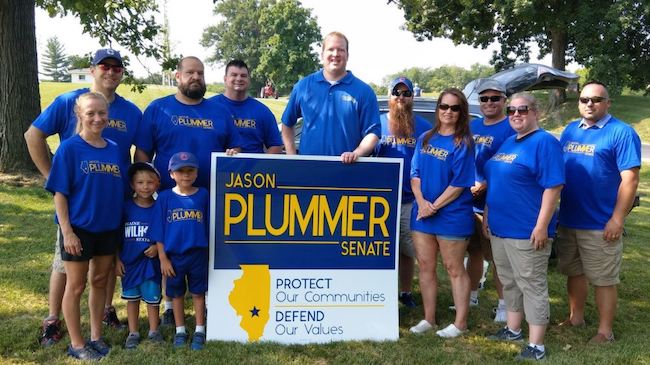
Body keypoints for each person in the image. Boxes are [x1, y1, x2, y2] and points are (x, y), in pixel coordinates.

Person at [24, 48, 139, 345]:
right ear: (92, 70)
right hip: (77, 212)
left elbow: (138, 154)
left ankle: (102, 317)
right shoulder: (68, 102)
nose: (111, 71)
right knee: (66, 270)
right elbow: (33, 135)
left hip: (109, 210)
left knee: (102, 275)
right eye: (105, 66)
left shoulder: (129, 112)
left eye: (117, 67)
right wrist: (54, 178)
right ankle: (53, 320)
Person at [556, 81, 641, 344]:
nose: (589, 104)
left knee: (603, 279)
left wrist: (617, 218)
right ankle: (576, 317)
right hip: (569, 218)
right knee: (574, 271)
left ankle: (605, 331)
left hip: (601, 222)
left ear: (607, 103)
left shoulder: (622, 133)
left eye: (596, 99)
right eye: (584, 100)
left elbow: (630, 180)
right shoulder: (571, 130)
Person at [484, 93, 564, 361]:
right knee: (509, 283)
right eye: (511, 110)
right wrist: (487, 213)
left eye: (523, 109)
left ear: (536, 112)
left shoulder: (545, 143)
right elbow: (495, 181)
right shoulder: (508, 141)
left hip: (526, 231)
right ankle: (513, 328)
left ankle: (536, 345)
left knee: (531, 285)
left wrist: (542, 227)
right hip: (500, 228)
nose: (516, 114)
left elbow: (553, 187)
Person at [45, 92, 125, 360]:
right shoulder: (69, 148)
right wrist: (67, 231)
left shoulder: (114, 148)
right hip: (79, 229)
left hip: (108, 228)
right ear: (79, 115)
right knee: (76, 286)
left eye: (102, 113)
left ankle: (95, 337)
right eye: (91, 113)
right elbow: (60, 193)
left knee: (100, 281)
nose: (97, 118)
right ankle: (77, 344)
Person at [408, 88, 475, 338]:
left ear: (461, 112)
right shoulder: (425, 137)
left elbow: (459, 184)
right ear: (438, 109)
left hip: (451, 215)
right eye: (444, 106)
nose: (448, 112)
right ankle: (429, 318)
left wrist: (433, 206)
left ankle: (460, 323)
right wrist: (422, 202)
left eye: (454, 108)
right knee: (425, 266)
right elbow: (414, 174)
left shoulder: (463, 143)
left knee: (453, 267)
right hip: (422, 213)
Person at [135, 56, 242, 191]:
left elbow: (236, 148)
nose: (196, 77)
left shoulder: (221, 112)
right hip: (167, 198)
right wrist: (146, 187)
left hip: (213, 198)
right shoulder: (158, 109)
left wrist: (232, 155)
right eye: (190, 72)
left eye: (200, 73)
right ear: (178, 76)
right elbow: (142, 153)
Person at [374, 76, 430, 308]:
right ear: (390, 96)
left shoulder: (425, 128)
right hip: (380, 201)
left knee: (408, 251)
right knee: (378, 249)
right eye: (397, 92)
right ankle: (379, 294)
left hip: (409, 200)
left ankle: (405, 292)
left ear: (412, 97)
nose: (401, 97)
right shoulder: (375, 124)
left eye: (406, 93)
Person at [281, 31, 380, 162]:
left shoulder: (364, 91)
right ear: (322, 54)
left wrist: (356, 154)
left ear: (347, 55)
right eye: (331, 49)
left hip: (347, 172)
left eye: (341, 50)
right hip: (309, 171)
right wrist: (291, 156)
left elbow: (372, 134)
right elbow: (287, 123)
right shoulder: (303, 87)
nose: (335, 54)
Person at [465, 79, 515, 322]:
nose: (489, 103)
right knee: (473, 251)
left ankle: (504, 306)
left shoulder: (510, 127)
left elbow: (509, 163)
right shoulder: (472, 126)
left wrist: (483, 184)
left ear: (504, 101)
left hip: (496, 202)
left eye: (495, 98)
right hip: (468, 201)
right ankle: (471, 296)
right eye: (484, 99)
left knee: (498, 258)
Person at [150, 152, 210, 351]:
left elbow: (211, 224)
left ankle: (200, 330)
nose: (186, 175)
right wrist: (162, 258)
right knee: (176, 294)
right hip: (174, 256)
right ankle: (180, 330)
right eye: (180, 171)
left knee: (198, 292)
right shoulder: (165, 197)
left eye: (190, 170)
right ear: (171, 174)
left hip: (198, 254)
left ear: (197, 172)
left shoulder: (203, 194)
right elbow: (159, 230)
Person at [116, 162, 163, 349]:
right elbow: (116, 235)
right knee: (132, 299)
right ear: (132, 185)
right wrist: (116, 259)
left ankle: (154, 330)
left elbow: (167, 232)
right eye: (140, 182)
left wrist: (158, 249)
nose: (145, 187)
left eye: (150, 182)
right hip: (129, 262)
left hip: (151, 264)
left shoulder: (160, 207)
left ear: (157, 184)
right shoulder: (125, 208)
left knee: (152, 299)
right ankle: (133, 332)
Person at [209, 59, 283, 154]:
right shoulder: (210, 106)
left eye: (243, 76)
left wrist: (262, 167)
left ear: (248, 80)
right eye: (234, 75)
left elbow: (275, 145)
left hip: (255, 168)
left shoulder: (262, 111)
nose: (239, 79)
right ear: (225, 79)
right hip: (217, 167)